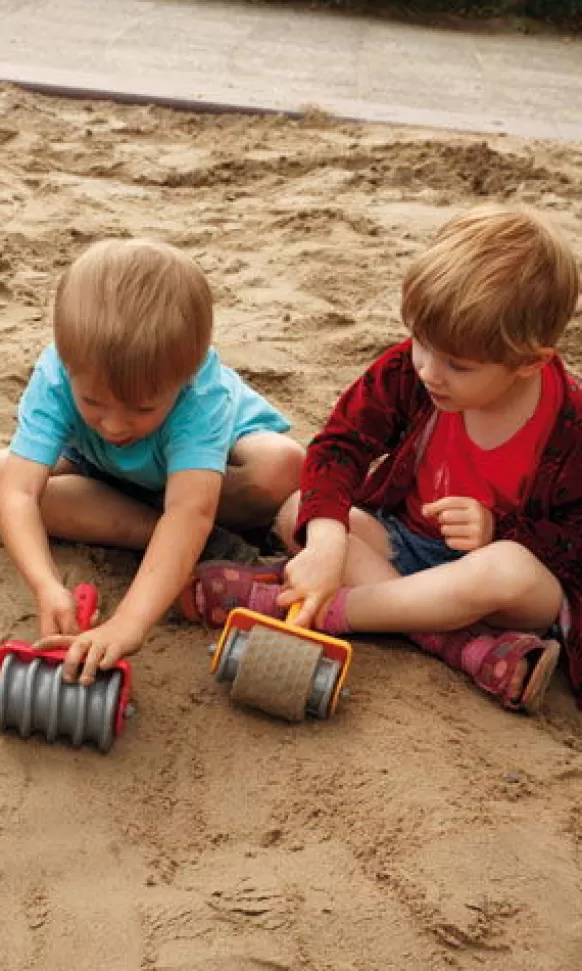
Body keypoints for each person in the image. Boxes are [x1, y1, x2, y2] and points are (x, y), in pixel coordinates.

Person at [181, 206, 582, 713]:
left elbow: (572, 541)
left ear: (530, 363)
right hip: (403, 545)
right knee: (299, 509)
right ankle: (457, 644)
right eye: (421, 343)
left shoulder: (569, 423)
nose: (429, 371)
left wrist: (497, 530)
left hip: (499, 591)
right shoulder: (411, 370)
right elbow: (340, 446)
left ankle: (333, 612)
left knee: (505, 570)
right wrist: (326, 542)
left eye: (458, 365)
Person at [0, 238, 304, 685]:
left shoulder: (199, 394)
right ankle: (170, 539)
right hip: (105, 477)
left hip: (210, 477)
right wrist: (46, 585)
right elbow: (19, 491)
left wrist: (129, 622)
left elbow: (192, 509)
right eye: (92, 402)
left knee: (282, 465)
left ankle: (188, 539)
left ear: (184, 379)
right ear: (68, 366)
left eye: (143, 408)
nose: (114, 425)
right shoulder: (57, 373)